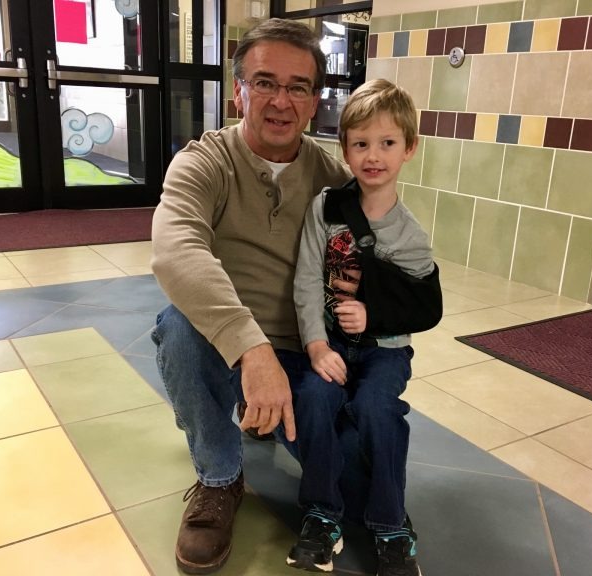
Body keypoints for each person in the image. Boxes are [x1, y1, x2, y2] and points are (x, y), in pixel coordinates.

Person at [150, 18, 353, 575]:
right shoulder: (203, 162)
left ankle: (257, 413)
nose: (280, 100)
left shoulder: (333, 180)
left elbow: (375, 262)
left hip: (302, 348)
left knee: (356, 482)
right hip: (226, 345)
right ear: (238, 92)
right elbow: (175, 253)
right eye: (264, 82)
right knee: (177, 326)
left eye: (297, 86)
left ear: (314, 102)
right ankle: (218, 480)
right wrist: (251, 350)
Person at [288, 79, 433, 576]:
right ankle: (322, 514)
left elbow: (424, 307)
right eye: (361, 143)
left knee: (376, 408)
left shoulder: (411, 235)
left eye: (388, 143)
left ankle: (391, 522)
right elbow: (307, 276)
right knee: (314, 397)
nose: (374, 156)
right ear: (345, 150)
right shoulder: (327, 208)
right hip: (330, 344)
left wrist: (375, 315)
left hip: (385, 351)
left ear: (408, 149)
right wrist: (313, 342)